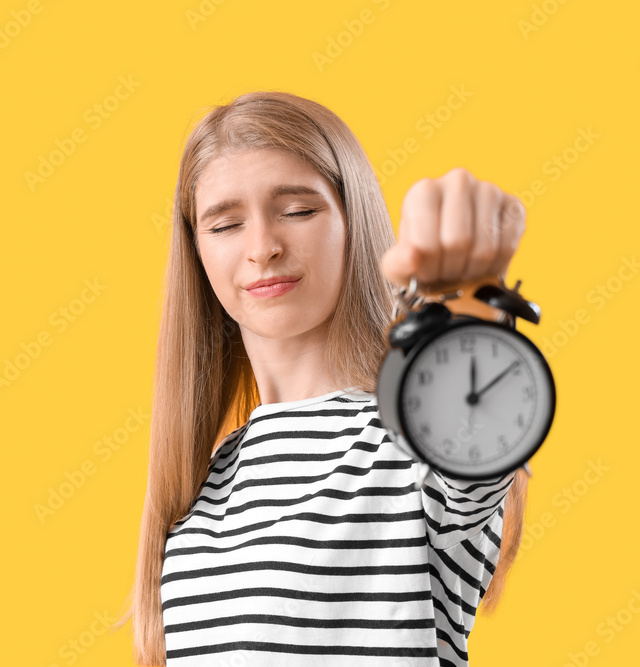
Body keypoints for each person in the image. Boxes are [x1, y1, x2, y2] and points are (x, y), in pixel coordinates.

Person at [113, 91, 531, 666]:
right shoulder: (203, 487)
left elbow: (484, 422)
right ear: (198, 254)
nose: (262, 247)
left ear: (351, 220)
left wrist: (473, 308)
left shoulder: (412, 434)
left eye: (298, 210)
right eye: (226, 224)